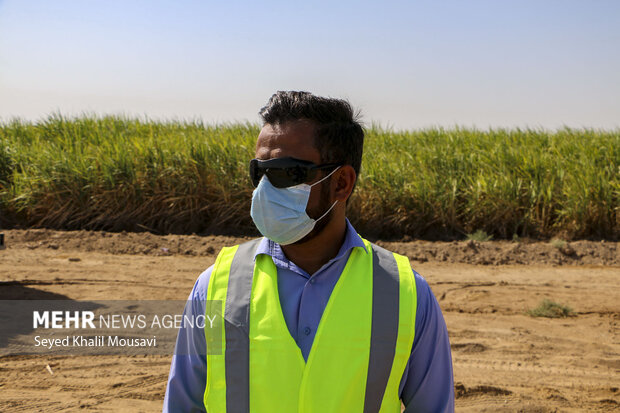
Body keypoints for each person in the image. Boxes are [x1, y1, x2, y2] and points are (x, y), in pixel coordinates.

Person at [163, 91, 454, 412]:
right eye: (259, 172)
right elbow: (182, 404)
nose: (264, 190)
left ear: (341, 182)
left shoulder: (405, 295)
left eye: (286, 173)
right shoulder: (215, 286)